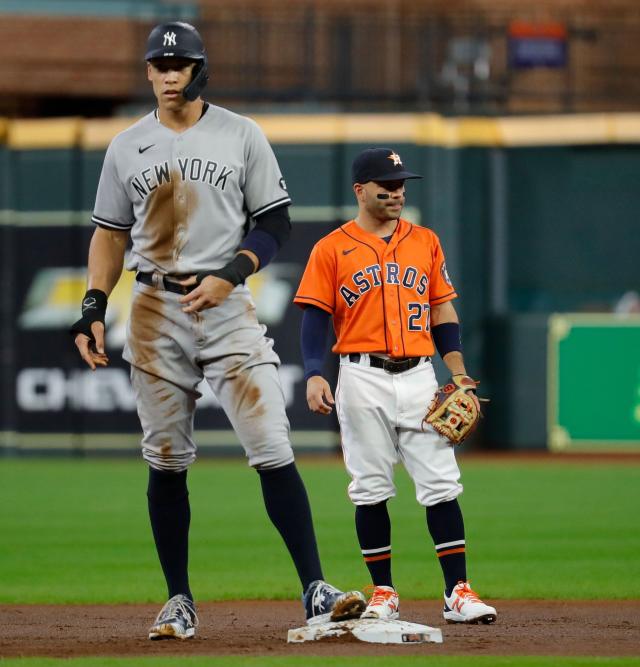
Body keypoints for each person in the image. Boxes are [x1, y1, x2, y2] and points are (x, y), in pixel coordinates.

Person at [70, 21, 365, 640]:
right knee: (166, 457)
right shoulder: (127, 145)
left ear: (200, 71)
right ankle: (178, 600)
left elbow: (276, 222)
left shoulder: (241, 134)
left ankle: (314, 588)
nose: (169, 73)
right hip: (152, 306)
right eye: (159, 64)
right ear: (148, 71)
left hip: (226, 304)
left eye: (180, 64)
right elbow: (109, 234)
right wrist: (93, 305)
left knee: (271, 445)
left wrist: (232, 275)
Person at [294, 147, 497, 624]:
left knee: (441, 484)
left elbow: (442, 309)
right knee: (369, 487)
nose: (397, 192)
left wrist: (459, 369)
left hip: (420, 375)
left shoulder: (424, 240)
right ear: (360, 190)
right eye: (387, 185)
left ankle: (457, 593)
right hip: (361, 375)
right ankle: (384, 591)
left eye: (402, 184)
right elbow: (315, 319)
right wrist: (313, 371)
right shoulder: (331, 248)